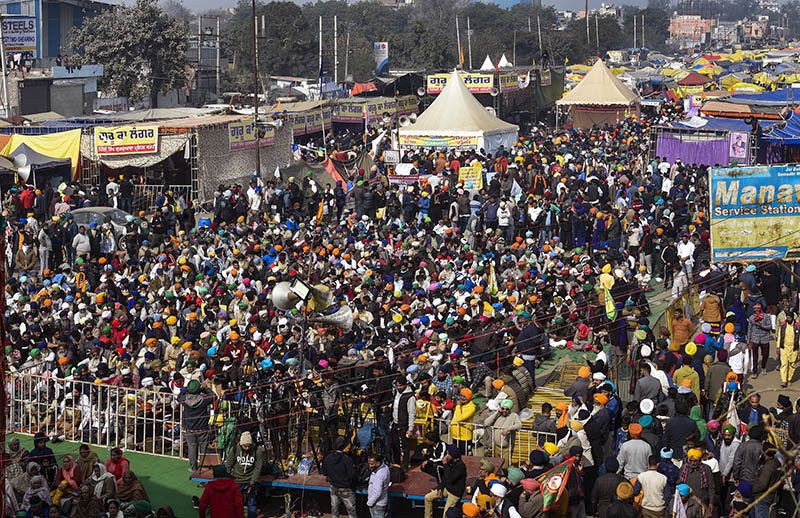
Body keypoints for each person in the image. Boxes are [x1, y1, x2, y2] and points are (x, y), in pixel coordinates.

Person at [225, 431, 264, 518]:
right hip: (237, 480)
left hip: (251, 479)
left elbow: (258, 468)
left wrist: (252, 483)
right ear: (241, 444)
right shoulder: (234, 449)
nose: (247, 448)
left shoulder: (257, 450)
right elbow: (228, 466)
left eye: (249, 446)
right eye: (244, 446)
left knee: (251, 503)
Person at [178, 379, 213, 473]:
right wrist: (206, 388)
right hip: (202, 427)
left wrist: (187, 388)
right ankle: (204, 466)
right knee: (203, 448)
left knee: (192, 448)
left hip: (189, 428)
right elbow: (213, 397)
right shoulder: (204, 400)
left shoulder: (185, 400)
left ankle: (193, 467)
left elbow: (179, 396)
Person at [424, 444, 466, 518]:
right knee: (427, 498)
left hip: (455, 493)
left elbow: (450, 478)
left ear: (453, 455)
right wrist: (440, 488)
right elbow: (445, 477)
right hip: (447, 488)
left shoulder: (461, 466)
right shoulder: (450, 462)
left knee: (446, 514)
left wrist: (445, 465)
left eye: (448, 454)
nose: (446, 456)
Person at [323, 436, 357, 518]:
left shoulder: (328, 458)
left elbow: (325, 472)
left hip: (334, 487)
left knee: (334, 510)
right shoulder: (347, 459)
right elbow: (351, 474)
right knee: (351, 511)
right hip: (345, 488)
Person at [366, 454, 390, 518]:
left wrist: (369, 503)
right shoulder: (385, 467)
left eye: (372, 463)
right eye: (369, 463)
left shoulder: (379, 475)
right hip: (380, 502)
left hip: (377, 504)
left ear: (378, 462)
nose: (370, 465)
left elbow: (377, 492)